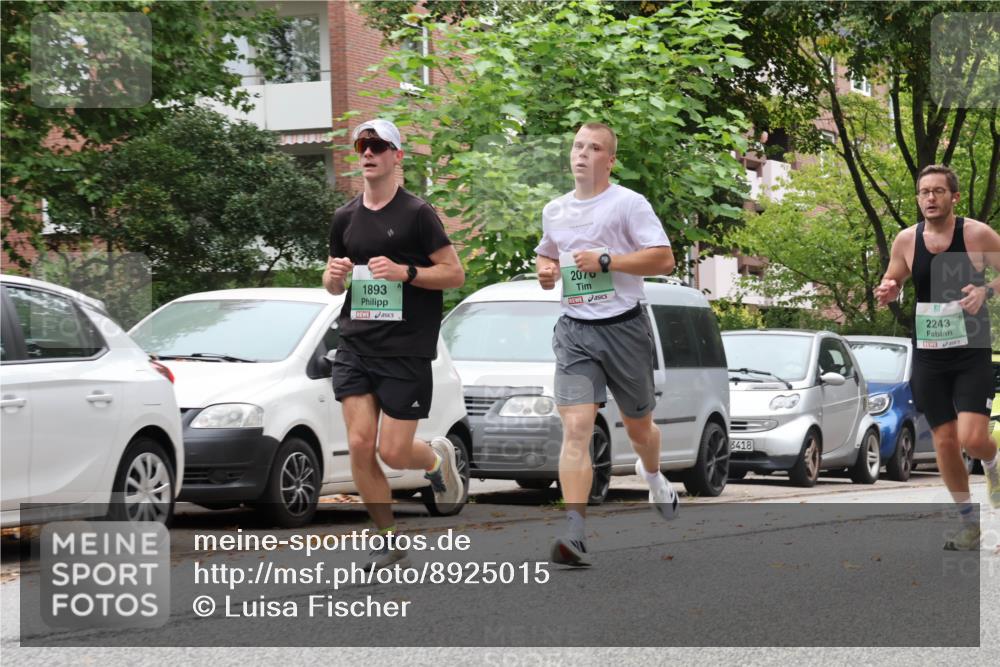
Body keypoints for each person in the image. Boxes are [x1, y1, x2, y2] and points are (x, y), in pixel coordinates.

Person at [535, 122, 679, 567]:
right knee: (577, 428)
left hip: (625, 328)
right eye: (578, 146)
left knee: (639, 429)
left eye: (594, 148)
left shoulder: (629, 204)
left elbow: (664, 259)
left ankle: (652, 476)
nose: (582, 153)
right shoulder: (554, 210)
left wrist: (607, 260)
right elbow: (547, 250)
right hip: (575, 331)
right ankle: (574, 532)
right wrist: (545, 270)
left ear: (610, 160)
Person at [323, 119, 466, 569]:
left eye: (378, 145)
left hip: (405, 349)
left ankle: (436, 460)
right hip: (355, 344)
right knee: (360, 443)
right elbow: (333, 283)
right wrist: (333, 277)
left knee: (394, 452)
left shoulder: (417, 214)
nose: (368, 152)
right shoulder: (345, 217)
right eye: (362, 146)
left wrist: (406, 272)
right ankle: (386, 537)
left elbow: (455, 273)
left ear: (397, 156)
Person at [874, 164, 1000, 550]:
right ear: (918, 198)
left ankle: (992, 463)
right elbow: (894, 278)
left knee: (972, 439)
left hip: (970, 352)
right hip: (929, 355)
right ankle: (969, 524)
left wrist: (986, 291)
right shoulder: (906, 240)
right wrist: (889, 290)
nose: (930, 198)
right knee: (945, 441)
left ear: (954, 197)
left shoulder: (976, 234)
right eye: (924, 192)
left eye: (938, 191)